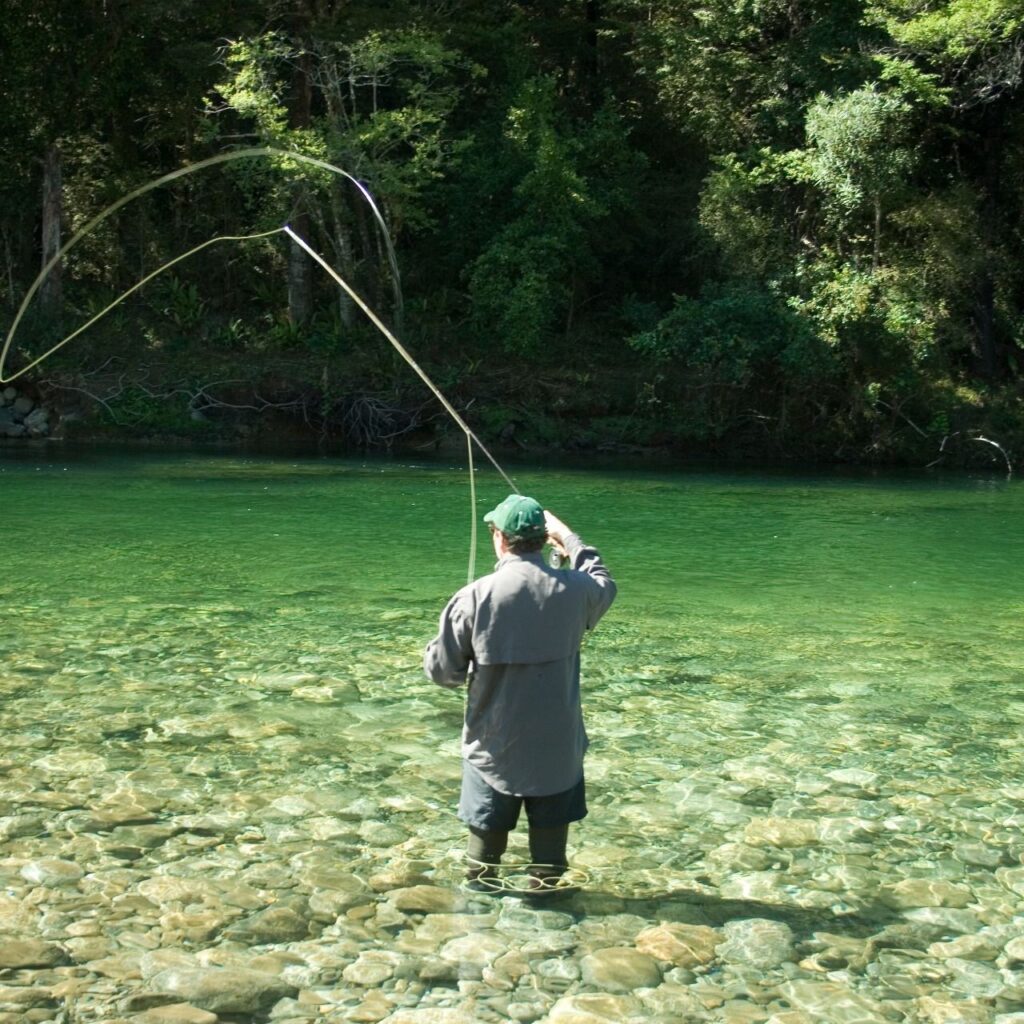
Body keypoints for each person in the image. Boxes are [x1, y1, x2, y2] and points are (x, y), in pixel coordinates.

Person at [423, 493, 616, 891]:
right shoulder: (578, 590)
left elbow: (443, 674)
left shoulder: (473, 597)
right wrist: (568, 538)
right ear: (541, 540)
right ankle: (549, 925)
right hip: (558, 752)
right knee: (549, 860)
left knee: (481, 866)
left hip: (493, 752)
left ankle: (478, 927)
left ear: (499, 538)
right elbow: (603, 580)